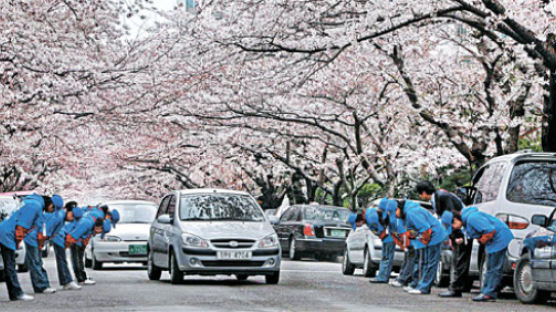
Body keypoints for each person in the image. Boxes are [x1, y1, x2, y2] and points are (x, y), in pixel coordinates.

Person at [443, 208, 513, 302]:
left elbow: (490, 230)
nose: (454, 228)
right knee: (490, 267)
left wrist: (482, 240)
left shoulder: (472, 218)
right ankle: (487, 292)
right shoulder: (466, 222)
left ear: (456, 219)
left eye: (453, 225)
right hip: (493, 241)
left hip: (499, 239)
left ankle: (489, 293)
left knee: (494, 267)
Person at [416, 181, 471, 297]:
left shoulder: (442, 197)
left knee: (458, 260)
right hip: (458, 229)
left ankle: (455, 289)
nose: (420, 197)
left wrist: (455, 235)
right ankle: (459, 287)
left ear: (424, 193)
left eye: (420, 194)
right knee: (458, 259)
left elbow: (451, 217)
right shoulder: (438, 197)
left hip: (461, 229)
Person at [0, 194, 53, 301]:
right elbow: (21, 226)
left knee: (8, 265)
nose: (52, 209)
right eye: (52, 207)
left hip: (4, 230)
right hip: (8, 234)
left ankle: (15, 293)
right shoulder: (35, 206)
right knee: (10, 265)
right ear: (49, 203)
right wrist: (17, 243)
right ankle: (16, 293)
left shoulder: (29, 202)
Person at [396, 199, 447, 295]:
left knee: (430, 262)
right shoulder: (405, 215)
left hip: (434, 235)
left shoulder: (411, 213)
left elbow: (425, 229)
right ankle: (419, 285)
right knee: (423, 261)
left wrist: (422, 243)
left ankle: (424, 287)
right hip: (426, 236)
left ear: (399, 208)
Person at [23, 194, 63, 295]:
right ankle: (41, 286)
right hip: (31, 237)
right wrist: (40, 241)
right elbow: (39, 226)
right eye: (52, 207)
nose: (52, 210)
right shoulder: (37, 208)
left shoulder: (31, 204)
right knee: (36, 261)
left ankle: (43, 284)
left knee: (36, 261)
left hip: (30, 236)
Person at [48, 204, 83, 291]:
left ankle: (66, 281)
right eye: (72, 216)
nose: (72, 219)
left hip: (58, 237)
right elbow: (49, 228)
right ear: (68, 211)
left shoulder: (61, 216)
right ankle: (66, 281)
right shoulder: (59, 216)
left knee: (62, 259)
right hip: (57, 238)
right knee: (61, 260)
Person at [366, 198, 398, 283]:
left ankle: (383, 277)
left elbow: (393, 224)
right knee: (385, 257)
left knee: (386, 257)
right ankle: (382, 276)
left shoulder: (389, 215)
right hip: (388, 238)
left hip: (389, 238)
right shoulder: (389, 214)